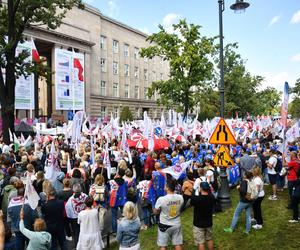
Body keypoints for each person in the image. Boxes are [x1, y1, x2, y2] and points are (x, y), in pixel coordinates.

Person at [154, 178, 184, 250]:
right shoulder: (180, 197)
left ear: (167, 188)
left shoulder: (161, 199)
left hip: (164, 224)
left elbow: (156, 211)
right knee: (177, 244)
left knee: (163, 246)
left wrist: (159, 210)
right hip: (176, 223)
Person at [7, 184, 38, 249]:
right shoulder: (29, 204)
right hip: (28, 228)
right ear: (25, 194)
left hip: (17, 229)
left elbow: (9, 218)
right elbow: (35, 216)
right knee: (30, 246)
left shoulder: (10, 204)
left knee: (19, 246)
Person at [191, 182, 215, 250]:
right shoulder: (212, 197)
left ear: (201, 188)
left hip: (198, 224)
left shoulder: (196, 199)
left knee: (200, 242)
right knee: (209, 239)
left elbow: (191, 202)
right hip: (208, 222)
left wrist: (196, 192)